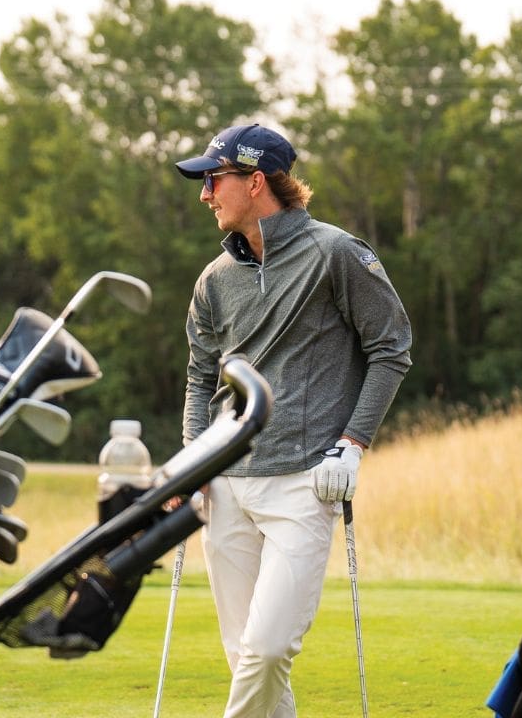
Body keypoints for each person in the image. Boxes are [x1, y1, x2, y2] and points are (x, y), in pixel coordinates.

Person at [175, 124, 412, 717]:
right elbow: (202, 377)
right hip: (227, 485)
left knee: (268, 646)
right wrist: (192, 464)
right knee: (246, 657)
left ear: (255, 182)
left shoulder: (337, 253)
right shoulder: (214, 280)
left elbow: (391, 349)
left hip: (304, 483)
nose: (205, 194)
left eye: (214, 179)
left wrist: (353, 444)